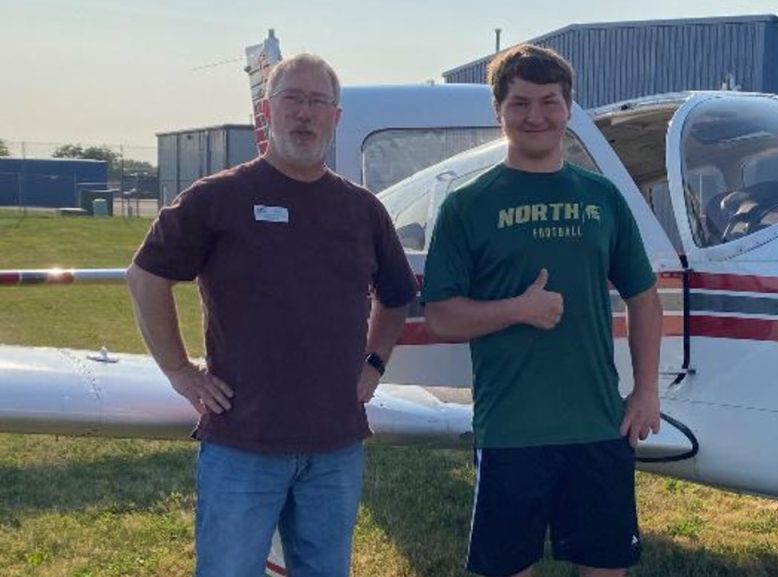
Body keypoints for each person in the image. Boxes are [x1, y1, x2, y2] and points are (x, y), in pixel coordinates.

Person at [126, 53, 416, 577]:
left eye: (318, 102)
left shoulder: (362, 210)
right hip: (243, 443)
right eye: (293, 100)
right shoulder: (218, 199)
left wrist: (374, 364)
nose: (305, 114)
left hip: (335, 445)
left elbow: (396, 297)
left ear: (336, 116)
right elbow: (145, 278)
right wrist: (180, 372)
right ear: (268, 111)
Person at [421, 44, 663, 577]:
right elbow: (440, 315)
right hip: (511, 428)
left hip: (598, 425)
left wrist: (646, 391)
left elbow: (645, 297)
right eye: (520, 103)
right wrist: (518, 309)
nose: (536, 116)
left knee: (605, 567)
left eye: (549, 102)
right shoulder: (467, 205)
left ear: (569, 107)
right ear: (498, 112)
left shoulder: (601, 198)